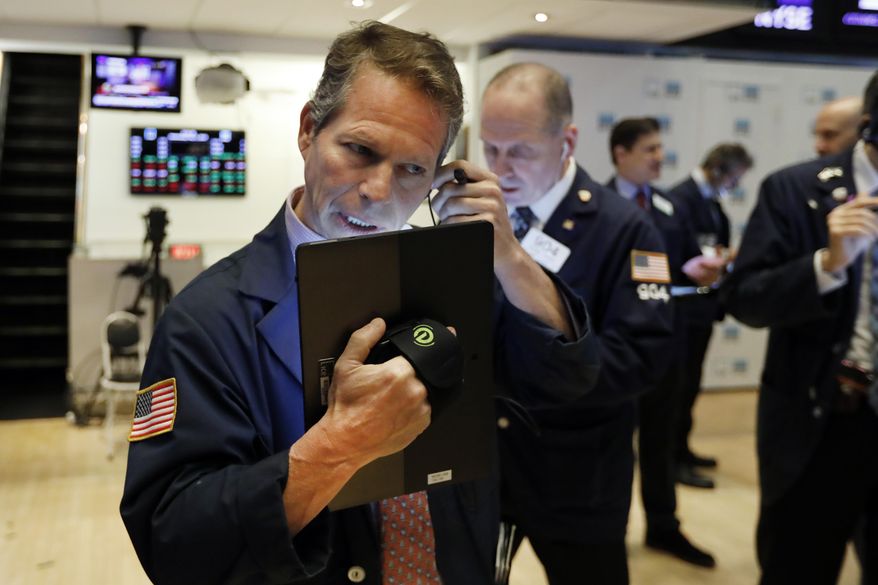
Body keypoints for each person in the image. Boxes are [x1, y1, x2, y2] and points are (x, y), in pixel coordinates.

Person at [119, 21, 601, 585]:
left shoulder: (452, 281)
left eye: (412, 169)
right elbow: (173, 540)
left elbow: (566, 378)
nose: (378, 191)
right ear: (309, 130)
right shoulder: (206, 320)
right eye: (359, 150)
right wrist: (339, 446)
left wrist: (509, 256)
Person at [479, 63, 673, 584]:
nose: (500, 168)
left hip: (576, 474)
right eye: (490, 149)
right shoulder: (472, 215)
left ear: (566, 141)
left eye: (519, 151)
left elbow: (643, 356)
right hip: (482, 469)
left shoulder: (629, 229)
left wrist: (542, 376)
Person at [721, 72, 878, 585]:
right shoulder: (794, 189)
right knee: (799, 565)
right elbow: (746, 298)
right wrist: (826, 266)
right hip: (822, 422)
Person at [606, 117, 724, 568]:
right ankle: (609, 534)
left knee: (661, 441)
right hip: (614, 348)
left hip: (664, 346)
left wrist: (700, 270)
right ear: (621, 153)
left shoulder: (670, 205)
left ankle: (663, 526)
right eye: (649, 149)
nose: (659, 157)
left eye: (660, 148)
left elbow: (678, 264)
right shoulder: (595, 204)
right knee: (614, 447)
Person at [666, 143, 754, 489]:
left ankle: (682, 447)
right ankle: (670, 458)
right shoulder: (679, 199)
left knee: (691, 384)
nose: (735, 186)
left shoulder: (711, 201)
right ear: (718, 168)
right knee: (677, 388)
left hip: (703, 307)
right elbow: (672, 254)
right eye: (734, 178)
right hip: (682, 308)